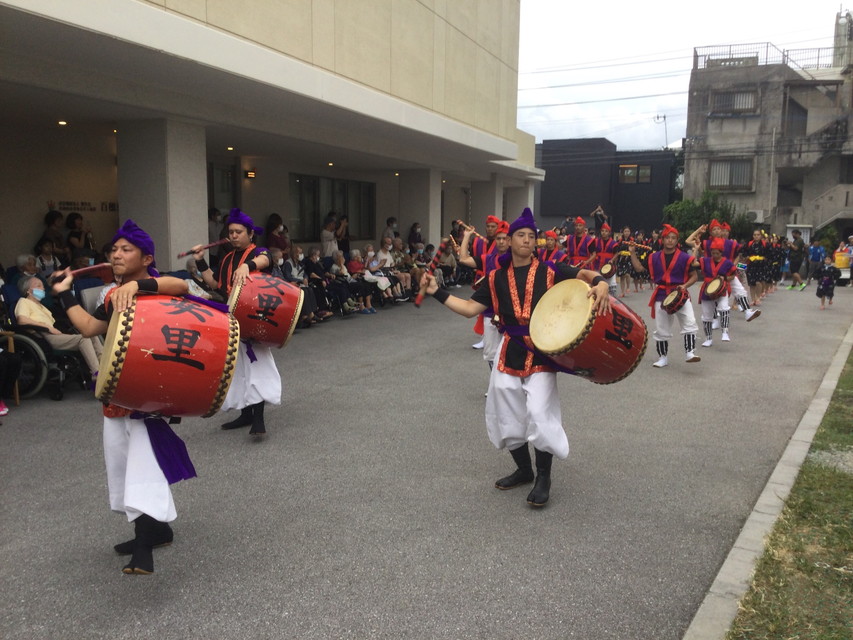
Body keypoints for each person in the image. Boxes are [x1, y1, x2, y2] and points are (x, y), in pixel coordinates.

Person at [420, 208, 610, 508]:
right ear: (508, 240)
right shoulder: (495, 278)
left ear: (536, 243)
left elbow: (585, 274)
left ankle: (543, 476)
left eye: (531, 236)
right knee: (504, 408)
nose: (526, 240)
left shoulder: (551, 270)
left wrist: (601, 282)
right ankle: (524, 468)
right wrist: (436, 291)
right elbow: (471, 308)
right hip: (509, 350)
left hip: (542, 351)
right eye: (520, 235)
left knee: (538, 410)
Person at [51, 219, 192, 575]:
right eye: (113, 249)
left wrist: (139, 286)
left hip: (148, 396)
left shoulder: (155, 286)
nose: (116, 254)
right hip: (117, 393)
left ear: (146, 258)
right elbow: (87, 328)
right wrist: (64, 293)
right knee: (122, 464)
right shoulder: (112, 293)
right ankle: (156, 530)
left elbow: (181, 284)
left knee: (143, 466)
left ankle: (145, 546)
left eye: (125, 249)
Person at [192, 208, 280, 437]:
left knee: (256, 365)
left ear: (250, 233)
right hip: (232, 316)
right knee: (237, 368)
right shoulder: (227, 258)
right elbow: (215, 284)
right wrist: (201, 262)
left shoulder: (257, 252)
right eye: (230, 232)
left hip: (255, 317)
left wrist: (247, 266)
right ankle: (246, 413)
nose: (233, 236)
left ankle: (258, 419)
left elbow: (267, 258)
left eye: (238, 232)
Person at [629, 224, 701, 367]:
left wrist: (684, 286)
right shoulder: (654, 257)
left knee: (690, 322)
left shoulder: (684, 257)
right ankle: (663, 357)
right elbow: (638, 268)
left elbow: (694, 276)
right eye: (667, 238)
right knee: (661, 328)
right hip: (662, 294)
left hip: (680, 293)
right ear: (663, 239)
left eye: (673, 238)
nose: (670, 240)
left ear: (677, 240)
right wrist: (632, 252)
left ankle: (690, 352)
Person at [15, 275, 103, 382]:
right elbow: (22, 320)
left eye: (43, 286)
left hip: (53, 335)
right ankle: (96, 373)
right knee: (83, 339)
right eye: (38, 286)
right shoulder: (23, 302)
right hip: (42, 337)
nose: (42, 289)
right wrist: (47, 327)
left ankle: (105, 367)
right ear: (28, 290)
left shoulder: (42, 307)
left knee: (91, 334)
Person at [458, 220, 510, 393]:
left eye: (504, 239)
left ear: (510, 241)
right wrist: (466, 237)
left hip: (512, 314)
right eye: (499, 239)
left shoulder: (517, 260)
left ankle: (509, 384)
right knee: (490, 353)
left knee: (511, 351)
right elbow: (464, 259)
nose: (501, 242)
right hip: (490, 312)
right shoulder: (488, 259)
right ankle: (495, 384)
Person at [697, 239, 738, 347]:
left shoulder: (727, 262)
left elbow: (733, 275)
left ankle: (725, 332)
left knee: (724, 308)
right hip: (707, 289)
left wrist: (725, 278)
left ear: (721, 252)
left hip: (721, 289)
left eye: (717, 253)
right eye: (713, 253)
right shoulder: (705, 261)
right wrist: (696, 250)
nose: (714, 255)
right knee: (706, 316)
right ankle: (708, 339)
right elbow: (693, 263)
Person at [283, 244, 323, 325]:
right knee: (304, 291)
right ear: (294, 254)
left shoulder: (300, 263)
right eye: (299, 253)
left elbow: (304, 273)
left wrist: (305, 278)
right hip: (294, 284)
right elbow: (288, 276)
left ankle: (311, 312)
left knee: (310, 289)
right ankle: (306, 315)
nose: (301, 255)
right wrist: (299, 280)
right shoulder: (288, 263)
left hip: (301, 283)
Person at [593, 223, 618, 296]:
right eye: (602, 231)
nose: (604, 232)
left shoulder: (613, 243)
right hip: (597, 265)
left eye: (606, 231)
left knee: (610, 286)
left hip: (608, 266)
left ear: (609, 233)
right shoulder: (596, 241)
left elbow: (617, 253)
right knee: (598, 283)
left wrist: (612, 260)